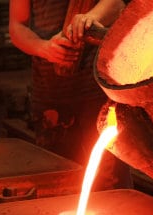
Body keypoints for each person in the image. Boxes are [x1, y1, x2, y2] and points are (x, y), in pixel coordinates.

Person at [9, 0, 132, 190]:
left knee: (109, 180)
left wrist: (89, 19)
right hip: (50, 92)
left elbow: (115, 4)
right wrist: (44, 48)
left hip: (98, 88)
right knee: (57, 179)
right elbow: (17, 26)